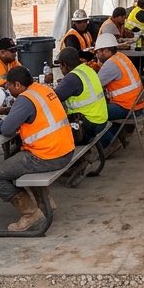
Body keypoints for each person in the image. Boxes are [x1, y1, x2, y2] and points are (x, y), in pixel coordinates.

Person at [0, 69, 76, 231]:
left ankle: (30, 213)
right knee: (16, 157)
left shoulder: (25, 99)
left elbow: (7, 129)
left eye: (9, 87)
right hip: (65, 149)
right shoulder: (43, 90)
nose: (9, 91)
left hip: (48, 155)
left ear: (18, 85)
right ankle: (45, 202)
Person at [52, 52, 108, 187]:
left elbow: (52, 99)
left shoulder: (72, 78)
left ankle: (76, 162)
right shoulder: (87, 69)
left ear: (64, 65)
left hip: (88, 125)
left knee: (50, 135)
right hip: (100, 118)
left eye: (60, 66)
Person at [92, 35, 144, 153]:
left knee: (94, 115)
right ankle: (117, 136)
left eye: (98, 52)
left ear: (106, 50)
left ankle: (108, 142)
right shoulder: (121, 57)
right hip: (137, 103)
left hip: (128, 107)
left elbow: (95, 86)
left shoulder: (111, 64)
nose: (97, 55)